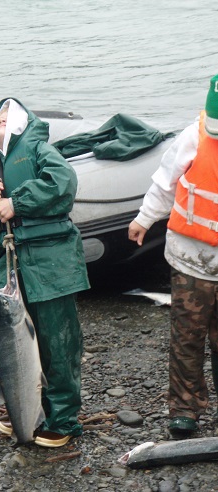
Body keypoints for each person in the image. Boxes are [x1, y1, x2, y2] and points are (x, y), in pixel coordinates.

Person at [0, 98, 90, 447]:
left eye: (6, 115)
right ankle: (27, 412)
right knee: (17, 347)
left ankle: (63, 421)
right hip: (13, 267)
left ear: (20, 121)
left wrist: (18, 202)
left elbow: (63, 183)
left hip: (52, 264)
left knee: (57, 342)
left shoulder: (39, 150)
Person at [128, 74, 218, 435]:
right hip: (190, 260)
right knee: (187, 336)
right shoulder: (192, 136)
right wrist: (144, 219)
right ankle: (185, 408)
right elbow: (164, 183)